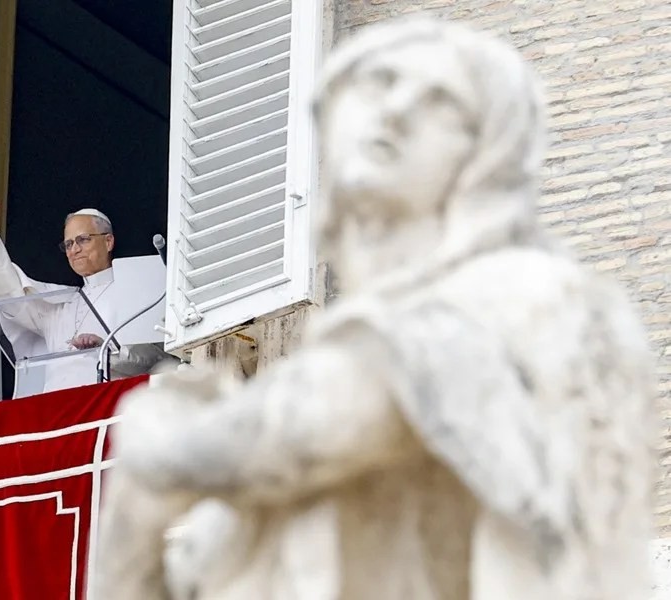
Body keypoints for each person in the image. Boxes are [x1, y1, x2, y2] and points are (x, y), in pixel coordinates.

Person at [93, 17, 655, 600]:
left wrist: (158, 437)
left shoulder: (487, 307)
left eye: (439, 100)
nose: (395, 111)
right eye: (378, 85)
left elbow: (290, 432)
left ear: (488, 151)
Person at [0, 187, 168, 393]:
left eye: (83, 239)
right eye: (68, 244)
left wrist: (106, 349)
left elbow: (156, 357)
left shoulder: (134, 291)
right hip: (58, 411)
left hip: (110, 406)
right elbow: (9, 291)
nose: (74, 250)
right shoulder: (60, 305)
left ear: (108, 241)